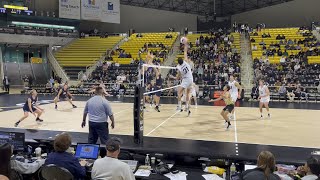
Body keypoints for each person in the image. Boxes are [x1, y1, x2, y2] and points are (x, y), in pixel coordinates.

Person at [171, 38, 193, 116]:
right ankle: (187, 107)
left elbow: (178, 77)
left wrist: (173, 77)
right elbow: (185, 51)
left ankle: (179, 106)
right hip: (191, 79)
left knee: (179, 92)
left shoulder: (179, 68)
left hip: (186, 80)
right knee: (187, 94)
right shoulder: (186, 62)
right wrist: (186, 44)